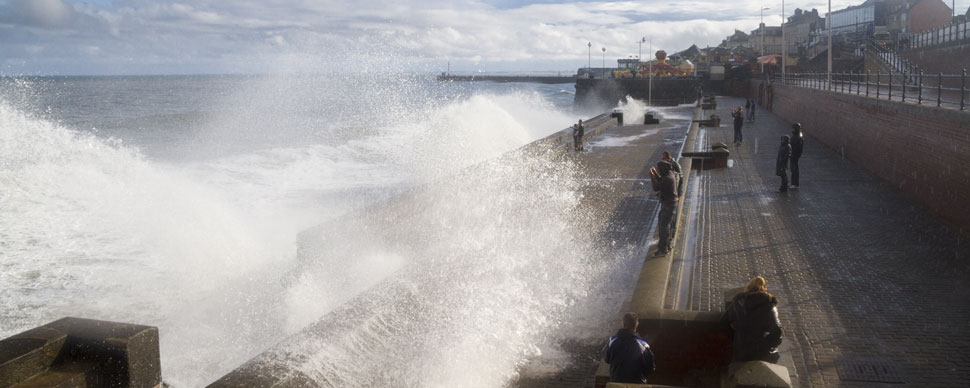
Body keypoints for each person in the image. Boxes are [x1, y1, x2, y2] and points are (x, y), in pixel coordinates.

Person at [721, 276, 783, 363]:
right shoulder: (769, 305)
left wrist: (736, 337)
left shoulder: (737, 303)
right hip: (762, 351)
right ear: (764, 289)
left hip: (741, 349)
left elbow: (724, 322)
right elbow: (777, 330)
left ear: (748, 288)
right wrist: (769, 345)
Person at [603, 312, 655, 384]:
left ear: (623, 324)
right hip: (637, 384)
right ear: (637, 324)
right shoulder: (643, 346)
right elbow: (650, 368)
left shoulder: (612, 341)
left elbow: (606, 358)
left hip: (616, 382)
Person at [649, 161, 679, 255]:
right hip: (670, 204)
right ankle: (667, 245)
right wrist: (655, 173)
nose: (658, 170)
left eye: (659, 169)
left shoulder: (668, 178)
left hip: (668, 205)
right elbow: (661, 179)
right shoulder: (669, 174)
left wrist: (651, 176)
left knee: (664, 227)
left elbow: (656, 187)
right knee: (664, 224)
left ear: (663, 169)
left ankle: (663, 248)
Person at [661, 151, 683, 239]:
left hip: (674, 194)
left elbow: (681, 179)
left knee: (673, 216)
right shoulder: (666, 166)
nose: (662, 160)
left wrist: (679, 193)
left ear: (668, 158)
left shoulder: (675, 166)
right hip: (669, 195)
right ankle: (669, 234)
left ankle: (671, 234)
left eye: (663, 158)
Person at [789, 123, 804, 188]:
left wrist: (793, 153)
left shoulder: (797, 137)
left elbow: (798, 147)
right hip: (794, 155)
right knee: (793, 169)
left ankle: (795, 183)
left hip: (794, 155)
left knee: (794, 169)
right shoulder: (796, 135)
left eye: (793, 128)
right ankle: (793, 183)